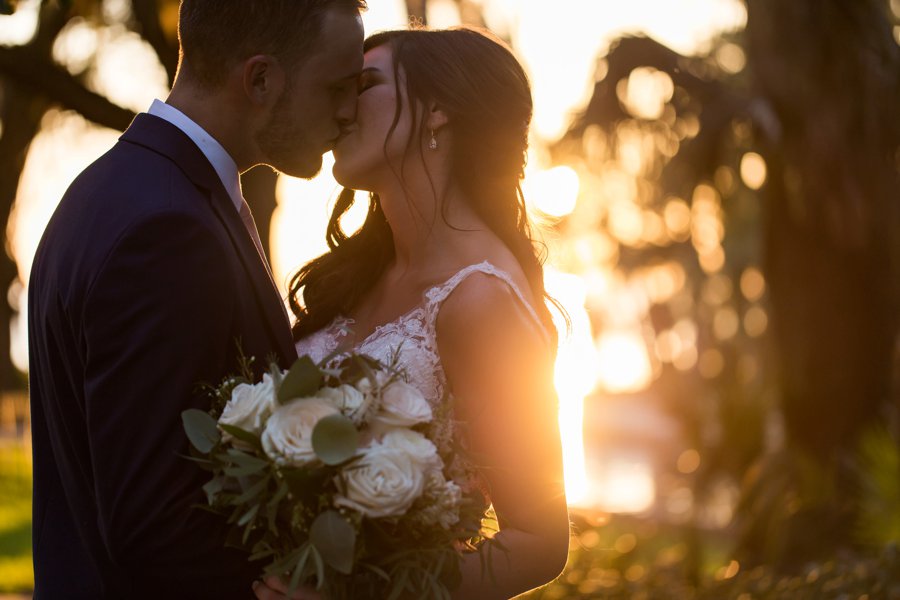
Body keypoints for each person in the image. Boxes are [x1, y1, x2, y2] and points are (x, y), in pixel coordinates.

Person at [27, 1, 364, 597]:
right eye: (336, 86)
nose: (348, 111)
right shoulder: (165, 229)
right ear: (260, 79)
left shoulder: (119, 189)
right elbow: (152, 522)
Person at [259, 27, 570, 599]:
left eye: (366, 85)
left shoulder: (482, 301)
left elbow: (539, 540)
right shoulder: (356, 278)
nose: (341, 108)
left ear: (439, 112)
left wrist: (361, 591)